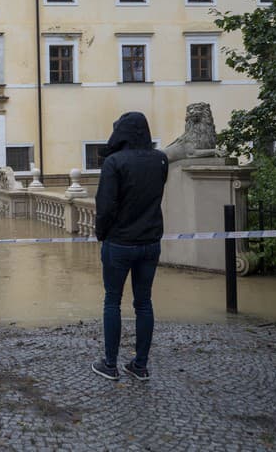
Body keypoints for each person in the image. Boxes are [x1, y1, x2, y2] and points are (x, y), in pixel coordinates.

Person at [92, 111, 168, 382]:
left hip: (120, 243)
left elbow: (105, 206)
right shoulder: (160, 159)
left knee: (112, 301)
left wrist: (102, 235)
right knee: (144, 303)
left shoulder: (114, 162)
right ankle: (140, 365)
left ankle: (110, 364)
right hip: (150, 242)